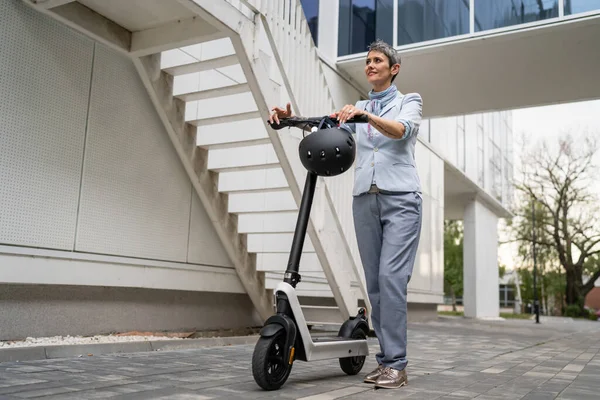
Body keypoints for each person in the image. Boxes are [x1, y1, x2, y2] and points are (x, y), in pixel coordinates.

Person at [269, 39, 422, 390]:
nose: (370, 65)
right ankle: (385, 362)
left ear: (393, 68)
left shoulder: (408, 102)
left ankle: (396, 364)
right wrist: (286, 119)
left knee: (391, 279)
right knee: (375, 285)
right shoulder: (358, 108)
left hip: (402, 200)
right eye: (367, 61)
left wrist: (364, 115)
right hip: (364, 201)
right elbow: (325, 125)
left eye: (378, 60)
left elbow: (402, 132)